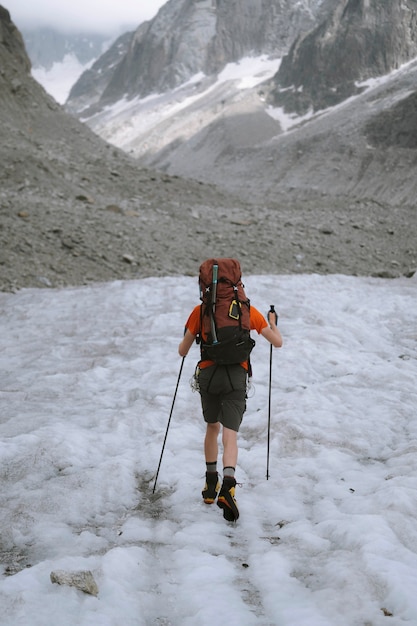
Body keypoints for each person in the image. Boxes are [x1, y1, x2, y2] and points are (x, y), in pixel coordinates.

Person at [178, 266, 283, 522]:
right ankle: (229, 485)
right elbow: (277, 342)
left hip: (208, 376)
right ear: (236, 284)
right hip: (236, 376)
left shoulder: (200, 310)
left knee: (212, 428)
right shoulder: (246, 310)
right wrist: (272, 323)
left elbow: (182, 350)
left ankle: (210, 485)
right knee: (230, 434)